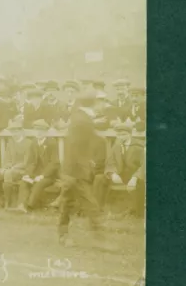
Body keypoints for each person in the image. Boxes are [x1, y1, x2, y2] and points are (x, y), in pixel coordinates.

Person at [58, 89, 108, 248]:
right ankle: (100, 240)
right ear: (93, 103)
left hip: (72, 170)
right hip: (75, 171)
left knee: (68, 203)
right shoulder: (83, 120)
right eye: (100, 102)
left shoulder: (82, 118)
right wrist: (81, 167)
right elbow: (75, 146)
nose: (103, 105)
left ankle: (63, 236)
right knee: (90, 204)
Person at [95, 122, 145, 216]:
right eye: (118, 135)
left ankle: (137, 212)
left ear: (130, 134)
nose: (121, 137)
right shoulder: (116, 145)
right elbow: (110, 161)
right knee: (99, 179)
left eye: (124, 134)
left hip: (134, 175)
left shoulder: (139, 146)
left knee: (141, 184)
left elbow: (144, 165)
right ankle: (97, 209)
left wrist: (135, 178)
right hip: (119, 173)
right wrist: (112, 173)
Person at [16, 119, 60, 212]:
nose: (38, 133)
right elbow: (31, 162)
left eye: (41, 131)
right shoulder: (34, 142)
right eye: (36, 130)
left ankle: (29, 206)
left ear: (46, 132)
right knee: (24, 182)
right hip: (36, 173)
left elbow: (54, 163)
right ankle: (21, 205)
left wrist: (42, 176)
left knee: (38, 184)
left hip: (49, 175)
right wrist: (28, 174)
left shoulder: (52, 143)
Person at [0, 121, 31, 209]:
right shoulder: (10, 142)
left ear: (21, 131)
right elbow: (7, 159)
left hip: (22, 170)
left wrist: (12, 167)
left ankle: (8, 202)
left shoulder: (28, 143)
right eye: (12, 131)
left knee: (8, 174)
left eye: (16, 131)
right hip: (10, 168)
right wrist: (6, 166)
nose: (14, 134)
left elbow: (27, 162)